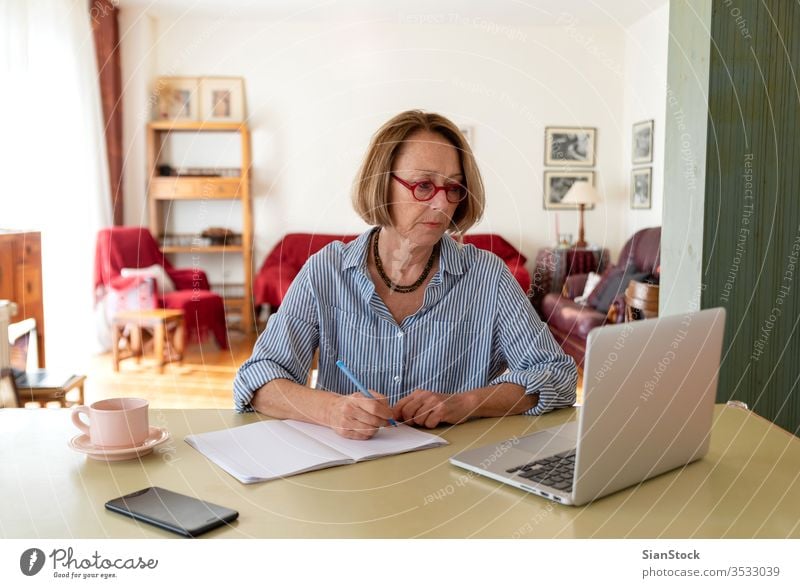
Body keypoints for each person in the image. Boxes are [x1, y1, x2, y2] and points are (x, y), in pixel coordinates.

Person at [234, 110, 577, 439]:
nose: (442, 205)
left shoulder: (488, 278)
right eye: (423, 186)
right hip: (346, 480)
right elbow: (258, 380)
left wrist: (467, 403)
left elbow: (557, 376)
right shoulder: (327, 272)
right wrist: (332, 410)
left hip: (454, 475)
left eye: (454, 188)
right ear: (382, 184)